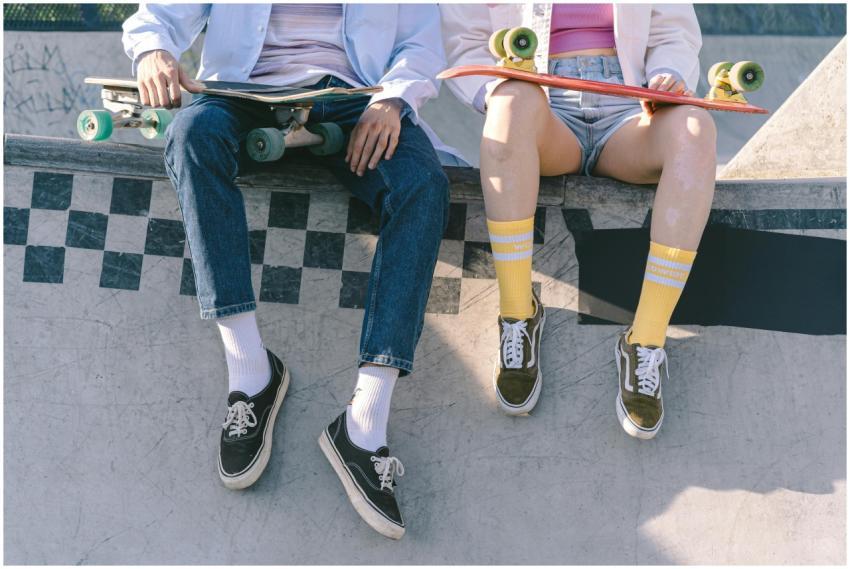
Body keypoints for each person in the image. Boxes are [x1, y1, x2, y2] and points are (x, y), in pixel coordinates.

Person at [123, 3, 459, 539]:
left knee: (423, 186)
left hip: (355, 101)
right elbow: (157, 15)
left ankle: (364, 426)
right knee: (192, 139)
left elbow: (420, 43)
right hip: (244, 96)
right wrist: (153, 51)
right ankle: (251, 374)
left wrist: (394, 98)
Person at [441, 4, 715, 438]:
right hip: (545, 106)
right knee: (510, 100)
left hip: (633, 109)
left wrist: (667, 74)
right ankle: (518, 314)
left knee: (696, 128)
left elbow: (673, 31)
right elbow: (465, 42)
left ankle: (645, 341)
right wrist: (500, 90)